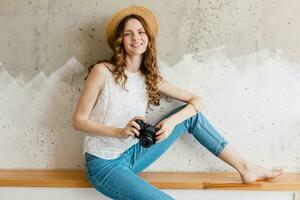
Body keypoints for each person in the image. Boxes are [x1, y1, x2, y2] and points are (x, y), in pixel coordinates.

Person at [73, 5, 282, 200]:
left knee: (190, 114)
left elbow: (198, 101)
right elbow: (79, 121)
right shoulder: (102, 72)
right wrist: (119, 131)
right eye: (128, 33)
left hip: (133, 153)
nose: (135, 38)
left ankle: (245, 167)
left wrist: (172, 123)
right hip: (103, 165)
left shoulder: (149, 78)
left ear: (148, 38)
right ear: (120, 40)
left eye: (140, 32)